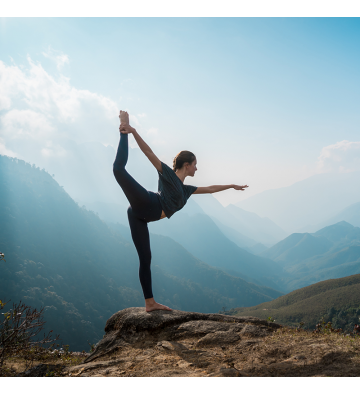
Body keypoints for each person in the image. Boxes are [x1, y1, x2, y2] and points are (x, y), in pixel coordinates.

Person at [113, 111, 249, 312]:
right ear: (187, 165)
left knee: (146, 258)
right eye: (195, 165)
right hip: (149, 203)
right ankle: (123, 128)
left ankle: (149, 303)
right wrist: (131, 131)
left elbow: (210, 188)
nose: (197, 168)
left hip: (140, 216)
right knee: (118, 170)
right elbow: (149, 153)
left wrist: (231, 185)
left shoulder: (187, 190)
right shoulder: (168, 175)